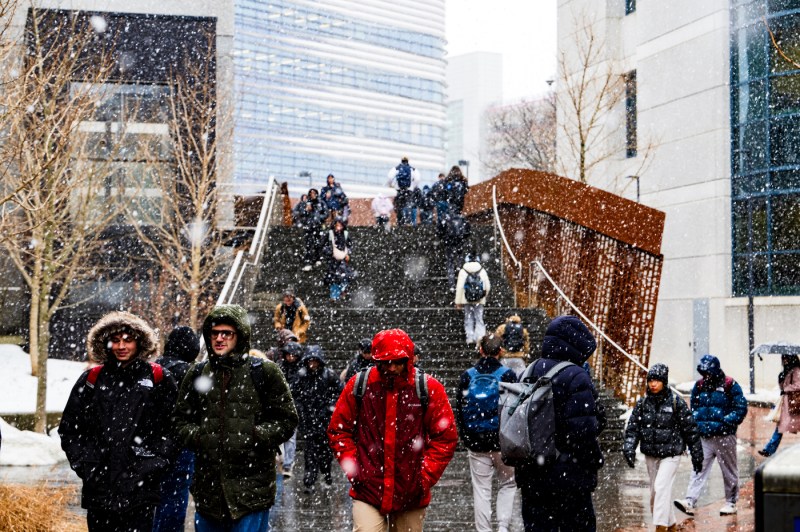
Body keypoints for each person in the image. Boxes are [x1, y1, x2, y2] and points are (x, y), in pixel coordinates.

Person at [174, 304, 298, 531]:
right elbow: (180, 420)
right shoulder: (198, 373)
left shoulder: (264, 372)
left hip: (252, 490)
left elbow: (287, 419)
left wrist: (256, 435)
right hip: (208, 491)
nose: (219, 339)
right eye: (214, 333)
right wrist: (200, 437)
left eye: (227, 333)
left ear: (239, 336)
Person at [328, 328, 458, 532]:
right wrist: (356, 471)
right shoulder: (360, 385)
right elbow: (338, 430)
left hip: (410, 490)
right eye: (386, 362)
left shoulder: (427, 388)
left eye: (397, 362)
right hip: (369, 487)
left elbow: (445, 437)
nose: (392, 368)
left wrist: (424, 477)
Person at [60, 311, 178, 532]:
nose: (121, 346)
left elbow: (173, 429)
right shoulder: (92, 379)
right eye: (115, 340)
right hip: (100, 488)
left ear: (139, 342)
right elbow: (70, 429)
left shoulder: (158, 378)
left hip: (141, 489)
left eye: (128, 339)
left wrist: (153, 464)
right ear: (106, 343)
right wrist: (87, 465)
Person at [515, 315, 604, 531]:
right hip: (568, 480)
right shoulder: (576, 376)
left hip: (532, 476)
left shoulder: (528, 372)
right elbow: (583, 433)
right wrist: (593, 463)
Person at [623, 364, 704, 532]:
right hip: (651, 454)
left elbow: (690, 430)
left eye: (657, 380)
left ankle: (660, 527)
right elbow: (633, 428)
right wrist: (629, 448)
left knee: (660, 488)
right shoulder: (643, 403)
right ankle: (671, 525)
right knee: (656, 493)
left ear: (664, 382)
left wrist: (697, 455)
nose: (653, 384)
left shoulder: (676, 402)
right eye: (651, 380)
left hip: (672, 454)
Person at [456, 334, 518, 532]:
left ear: (480, 350)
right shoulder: (508, 375)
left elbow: (460, 408)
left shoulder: (468, 375)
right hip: (502, 440)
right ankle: (502, 527)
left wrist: (467, 436)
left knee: (481, 489)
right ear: (501, 351)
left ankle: (483, 530)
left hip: (477, 441)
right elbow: (515, 407)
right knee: (508, 484)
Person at [674, 355, 748, 517]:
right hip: (704, 437)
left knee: (729, 470)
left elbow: (741, 408)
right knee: (698, 467)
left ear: (714, 370)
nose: (705, 375)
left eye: (708, 372)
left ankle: (731, 502)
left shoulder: (730, 384)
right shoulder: (699, 386)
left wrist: (726, 421)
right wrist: (697, 424)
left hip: (724, 436)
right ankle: (690, 500)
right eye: (703, 372)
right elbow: (694, 407)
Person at [153, 326, 201, 532]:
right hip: (180, 445)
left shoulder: (151, 368)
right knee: (174, 499)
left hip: (151, 444)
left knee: (152, 499)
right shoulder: (189, 373)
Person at [295, 345, 343, 494]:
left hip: (324, 421)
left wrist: (330, 406)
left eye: (315, 361)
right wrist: (302, 409)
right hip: (310, 420)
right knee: (310, 453)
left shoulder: (329, 375)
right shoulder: (302, 376)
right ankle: (309, 481)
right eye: (310, 361)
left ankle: (326, 475)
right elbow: (295, 394)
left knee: (325, 452)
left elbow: (340, 392)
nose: (312, 364)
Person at [759, 355, 800, 456]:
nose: (784, 361)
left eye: (786, 358)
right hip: (788, 404)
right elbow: (784, 387)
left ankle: (769, 450)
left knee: (782, 426)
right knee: (780, 426)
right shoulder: (788, 370)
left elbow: (798, 385)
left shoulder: (796, 370)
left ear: (791, 359)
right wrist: (781, 379)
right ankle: (768, 450)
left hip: (794, 403)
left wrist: (786, 389)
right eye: (783, 358)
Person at [277, 341, 305, 478]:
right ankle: (283, 461)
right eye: (289, 355)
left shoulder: (301, 371)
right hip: (282, 407)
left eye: (293, 355)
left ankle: (287, 463)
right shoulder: (281, 367)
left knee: (291, 438)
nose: (291, 358)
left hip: (293, 407)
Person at [454, 254, 490, 345]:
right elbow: (487, 285)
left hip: (467, 299)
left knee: (468, 318)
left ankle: (470, 337)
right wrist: (484, 295)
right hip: (479, 299)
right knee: (479, 318)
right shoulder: (482, 270)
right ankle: (480, 337)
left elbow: (459, 287)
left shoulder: (463, 270)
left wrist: (458, 302)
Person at [324, 217, 354, 301]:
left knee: (344, 277)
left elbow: (350, 245)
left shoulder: (345, 234)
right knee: (334, 279)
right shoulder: (330, 234)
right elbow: (323, 245)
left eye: (340, 225)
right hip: (332, 260)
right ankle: (334, 295)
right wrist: (330, 253)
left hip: (343, 260)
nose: (338, 227)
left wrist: (348, 253)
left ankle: (343, 292)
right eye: (337, 225)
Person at [386, 156, 420, 226]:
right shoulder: (413, 169)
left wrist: (390, 185)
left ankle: (400, 222)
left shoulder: (396, 168)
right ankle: (407, 222)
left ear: (401, 161)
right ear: (408, 161)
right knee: (408, 205)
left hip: (399, 190)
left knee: (399, 206)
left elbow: (389, 177)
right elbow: (417, 179)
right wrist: (413, 186)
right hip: (409, 190)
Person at [300, 188, 329, 271]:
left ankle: (317, 259)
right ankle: (308, 262)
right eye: (311, 193)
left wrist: (319, 218)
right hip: (308, 227)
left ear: (317, 194)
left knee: (318, 244)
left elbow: (326, 213)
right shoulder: (306, 203)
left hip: (318, 227)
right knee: (308, 245)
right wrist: (306, 210)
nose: (312, 194)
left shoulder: (321, 203)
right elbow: (301, 214)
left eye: (314, 193)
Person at [442, 213, 470, 290]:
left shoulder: (446, 217)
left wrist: (445, 238)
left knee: (450, 264)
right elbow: (467, 231)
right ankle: (461, 283)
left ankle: (452, 285)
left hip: (449, 243)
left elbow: (440, 230)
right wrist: (462, 238)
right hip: (459, 243)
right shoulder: (462, 219)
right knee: (460, 262)